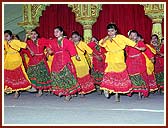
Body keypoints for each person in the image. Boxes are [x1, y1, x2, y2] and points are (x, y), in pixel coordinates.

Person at [99, 23, 144, 102]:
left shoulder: (121, 37)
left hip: (119, 58)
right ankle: (106, 89)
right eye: (108, 31)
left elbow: (130, 43)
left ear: (116, 31)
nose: (110, 33)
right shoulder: (107, 39)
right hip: (110, 59)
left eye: (112, 31)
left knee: (118, 77)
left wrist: (139, 48)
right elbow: (101, 43)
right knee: (108, 74)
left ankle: (117, 95)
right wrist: (107, 37)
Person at [48, 26, 81, 101]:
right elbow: (50, 50)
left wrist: (76, 56)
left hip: (65, 59)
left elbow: (72, 50)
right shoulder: (53, 41)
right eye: (54, 32)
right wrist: (49, 50)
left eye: (57, 32)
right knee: (57, 76)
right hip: (56, 60)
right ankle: (61, 90)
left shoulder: (67, 41)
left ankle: (68, 93)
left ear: (62, 32)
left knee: (67, 76)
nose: (55, 33)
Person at [4, 30, 33, 98]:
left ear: (11, 36)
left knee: (18, 75)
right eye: (4, 36)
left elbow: (25, 45)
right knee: (8, 75)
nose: (5, 37)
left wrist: (31, 51)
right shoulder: (4, 42)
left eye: (7, 36)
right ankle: (8, 89)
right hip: (8, 60)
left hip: (16, 59)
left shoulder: (15, 41)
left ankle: (17, 91)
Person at [25, 29, 52, 97]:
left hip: (40, 60)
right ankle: (34, 87)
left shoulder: (41, 40)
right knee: (32, 74)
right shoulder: (28, 42)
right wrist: (26, 36)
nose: (33, 35)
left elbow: (49, 42)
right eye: (31, 34)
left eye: (34, 34)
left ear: (37, 35)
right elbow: (23, 45)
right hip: (33, 60)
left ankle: (40, 90)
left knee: (40, 75)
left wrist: (49, 50)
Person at [71, 31, 96, 97]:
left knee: (82, 77)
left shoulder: (82, 44)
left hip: (82, 62)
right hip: (73, 62)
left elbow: (90, 51)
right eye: (73, 37)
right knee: (75, 77)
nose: (74, 39)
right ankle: (76, 90)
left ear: (79, 37)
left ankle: (83, 91)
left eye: (75, 37)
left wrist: (96, 57)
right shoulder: (71, 44)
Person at [126, 30, 148, 98]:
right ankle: (132, 89)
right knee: (130, 74)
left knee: (140, 74)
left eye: (134, 35)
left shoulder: (139, 42)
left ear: (137, 36)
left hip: (138, 60)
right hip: (130, 60)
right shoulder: (127, 43)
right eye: (131, 35)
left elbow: (144, 48)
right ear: (129, 36)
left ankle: (141, 89)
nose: (133, 37)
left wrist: (138, 48)